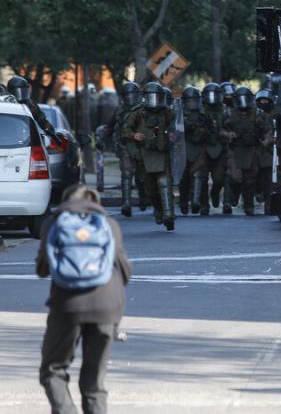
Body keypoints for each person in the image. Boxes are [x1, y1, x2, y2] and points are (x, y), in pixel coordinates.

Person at [36, 184, 132, 414]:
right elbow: (125, 272)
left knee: (53, 370)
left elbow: (42, 269)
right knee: (94, 383)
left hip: (67, 307)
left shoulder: (54, 223)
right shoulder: (108, 225)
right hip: (107, 307)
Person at [122, 82, 176, 231]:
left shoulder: (166, 112)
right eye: (151, 97)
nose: (154, 101)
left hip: (162, 152)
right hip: (144, 155)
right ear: (145, 98)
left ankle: (169, 215)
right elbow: (124, 131)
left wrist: (174, 135)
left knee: (165, 182)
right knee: (150, 188)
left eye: (157, 97)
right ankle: (158, 209)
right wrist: (134, 134)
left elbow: (178, 127)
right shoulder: (137, 112)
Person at [98, 82, 146, 217]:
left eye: (132, 95)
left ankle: (143, 198)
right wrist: (101, 139)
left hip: (142, 147)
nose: (129, 98)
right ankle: (126, 204)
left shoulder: (144, 109)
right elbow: (110, 127)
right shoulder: (119, 110)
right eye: (127, 95)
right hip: (125, 146)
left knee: (142, 176)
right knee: (126, 174)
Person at [221, 86, 269, 216]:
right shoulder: (228, 114)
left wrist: (266, 140)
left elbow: (267, 130)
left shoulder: (258, 114)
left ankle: (249, 206)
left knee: (250, 180)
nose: (243, 102)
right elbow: (219, 130)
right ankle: (233, 196)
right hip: (235, 150)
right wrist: (228, 134)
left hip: (252, 150)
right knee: (234, 177)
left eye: (245, 99)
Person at [178, 86, 214, 215]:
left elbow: (212, 131)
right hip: (183, 149)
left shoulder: (204, 114)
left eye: (194, 100)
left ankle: (201, 204)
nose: (192, 103)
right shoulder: (178, 114)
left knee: (201, 177)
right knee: (184, 179)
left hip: (199, 149)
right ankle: (183, 203)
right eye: (190, 101)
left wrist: (203, 132)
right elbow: (173, 130)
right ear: (185, 101)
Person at [200, 83, 227, 215]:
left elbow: (231, 126)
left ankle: (215, 193)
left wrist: (227, 133)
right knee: (202, 178)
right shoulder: (199, 110)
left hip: (220, 148)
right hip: (203, 149)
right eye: (210, 95)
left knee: (219, 178)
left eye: (215, 95)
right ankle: (204, 205)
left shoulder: (225, 110)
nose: (212, 98)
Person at [7, 75, 59, 140]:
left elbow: (42, 120)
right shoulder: (6, 104)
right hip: (7, 137)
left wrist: (52, 133)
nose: (22, 94)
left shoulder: (30, 104)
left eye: (24, 91)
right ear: (11, 91)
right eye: (19, 91)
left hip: (26, 138)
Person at [255, 85, 277, 214]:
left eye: (266, 101)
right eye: (261, 101)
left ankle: (268, 205)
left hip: (272, 150)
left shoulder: (277, 113)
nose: (264, 103)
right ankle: (258, 193)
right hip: (258, 149)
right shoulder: (255, 115)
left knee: (269, 179)